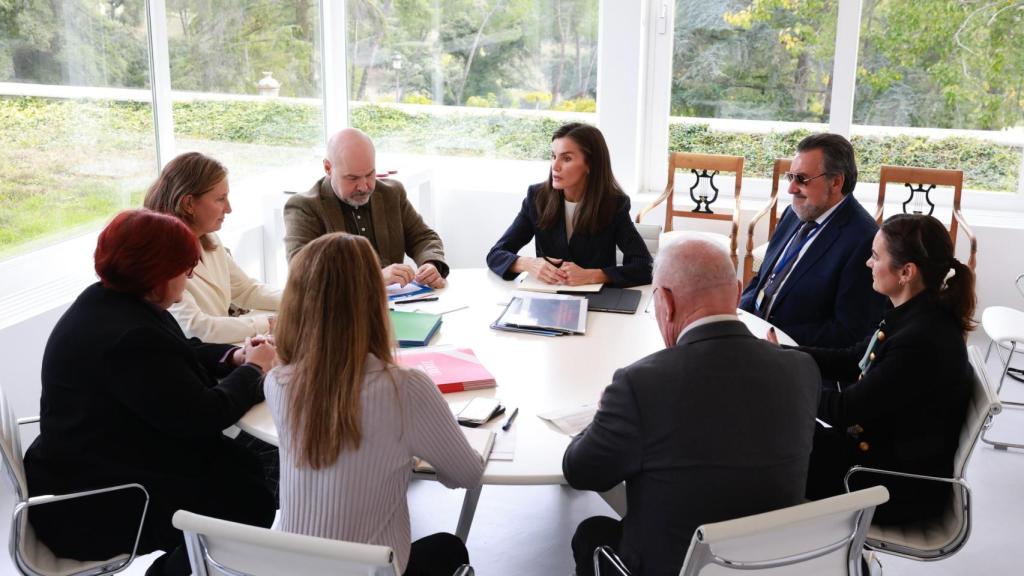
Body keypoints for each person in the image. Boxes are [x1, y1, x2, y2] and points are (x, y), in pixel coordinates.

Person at [23, 209, 277, 576]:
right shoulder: (131, 337)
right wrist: (255, 369)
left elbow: (180, 351)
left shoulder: (109, 301)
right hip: (102, 501)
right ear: (157, 274)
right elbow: (205, 416)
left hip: (86, 464)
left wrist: (234, 356)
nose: (188, 280)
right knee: (248, 499)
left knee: (242, 470)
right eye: (185, 270)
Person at [564, 235, 820, 576]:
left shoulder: (641, 385)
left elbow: (581, 471)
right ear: (738, 290)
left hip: (675, 566)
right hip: (771, 563)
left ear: (666, 301)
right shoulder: (801, 368)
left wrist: (604, 414)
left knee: (592, 532)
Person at [266, 232, 484, 576]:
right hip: (370, 570)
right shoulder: (404, 389)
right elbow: (468, 474)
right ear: (373, 300)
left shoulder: (277, 382)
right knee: (450, 548)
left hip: (292, 567)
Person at [776, 214, 974, 523]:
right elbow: (852, 357)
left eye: (875, 256)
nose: (869, 264)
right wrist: (781, 355)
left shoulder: (920, 340)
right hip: (879, 460)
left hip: (887, 484)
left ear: (906, 272)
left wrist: (784, 377)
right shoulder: (916, 314)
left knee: (768, 450)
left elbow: (844, 409)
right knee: (779, 435)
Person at [740, 133, 886, 347]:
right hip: (754, 338)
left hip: (796, 357)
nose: (791, 188)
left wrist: (774, 338)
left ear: (836, 182)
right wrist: (738, 315)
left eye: (802, 179)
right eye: (790, 177)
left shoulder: (863, 239)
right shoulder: (794, 213)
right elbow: (763, 280)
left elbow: (849, 331)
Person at [486, 122, 653, 288]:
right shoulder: (537, 197)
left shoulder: (614, 204)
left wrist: (594, 275)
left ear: (590, 165)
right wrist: (529, 264)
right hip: (546, 302)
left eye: (566, 158)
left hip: (596, 304)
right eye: (553, 156)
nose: (555, 166)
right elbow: (496, 254)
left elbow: (645, 267)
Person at [144, 152, 281, 344]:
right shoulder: (160, 256)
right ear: (189, 203)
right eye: (220, 199)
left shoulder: (208, 239)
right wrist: (269, 323)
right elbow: (196, 328)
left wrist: (301, 301)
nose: (229, 208)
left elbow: (245, 290)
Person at [283, 128, 448, 288]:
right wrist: (374, 279)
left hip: (396, 307)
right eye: (352, 178)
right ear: (328, 168)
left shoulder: (391, 193)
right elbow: (301, 273)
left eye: (370, 174)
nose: (363, 186)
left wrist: (431, 264)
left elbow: (423, 237)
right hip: (338, 312)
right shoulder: (304, 207)